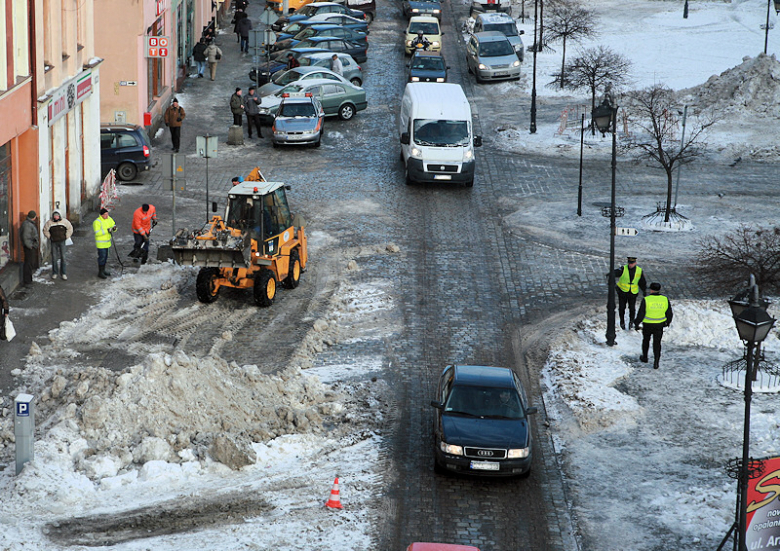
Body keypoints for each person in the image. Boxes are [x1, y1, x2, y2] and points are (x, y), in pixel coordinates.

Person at [634, 282, 673, 369]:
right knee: (657, 343)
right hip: (659, 325)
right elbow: (669, 312)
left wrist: (636, 323)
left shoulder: (646, 299)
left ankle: (645, 357)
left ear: (651, 290)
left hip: (647, 324)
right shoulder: (665, 299)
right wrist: (668, 322)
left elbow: (641, 314)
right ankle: (656, 362)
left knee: (646, 340)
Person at [610, 256, 646, 330]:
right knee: (622, 308)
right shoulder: (623, 269)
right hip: (622, 292)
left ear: (635, 263)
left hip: (633, 292)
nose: (630, 265)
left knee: (632, 308)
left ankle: (631, 322)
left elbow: (642, 281)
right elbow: (614, 273)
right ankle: (622, 321)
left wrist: (644, 290)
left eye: (632, 263)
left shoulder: (639, 270)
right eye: (629, 263)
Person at [42, 211, 74, 280]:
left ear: (59, 216)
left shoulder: (64, 222)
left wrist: (66, 236)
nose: (56, 217)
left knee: (63, 257)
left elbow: (70, 228)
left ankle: (63, 273)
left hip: (62, 241)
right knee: (54, 258)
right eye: (55, 216)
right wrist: (50, 237)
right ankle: (55, 273)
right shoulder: (49, 223)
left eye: (57, 216)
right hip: (54, 242)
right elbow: (45, 230)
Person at [93, 208, 117, 279]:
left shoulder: (109, 219)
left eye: (107, 214)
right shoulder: (97, 222)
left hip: (107, 243)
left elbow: (113, 225)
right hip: (101, 244)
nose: (107, 215)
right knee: (102, 258)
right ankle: (100, 272)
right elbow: (97, 233)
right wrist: (107, 231)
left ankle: (103, 270)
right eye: (105, 214)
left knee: (105, 257)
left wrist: (114, 228)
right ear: (101, 215)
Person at [20, 210, 39, 286]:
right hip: (29, 248)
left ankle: (28, 280)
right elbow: (26, 237)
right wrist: (31, 246)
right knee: (28, 264)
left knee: (29, 263)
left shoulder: (28, 223)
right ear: (34, 217)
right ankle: (27, 281)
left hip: (30, 246)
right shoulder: (28, 225)